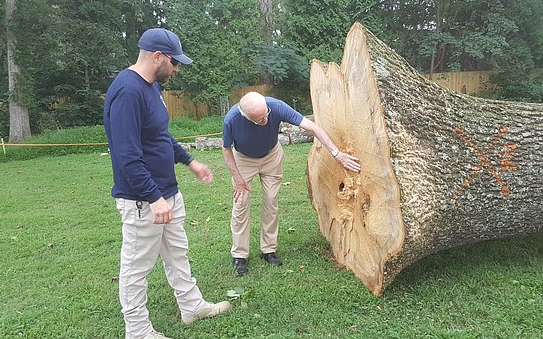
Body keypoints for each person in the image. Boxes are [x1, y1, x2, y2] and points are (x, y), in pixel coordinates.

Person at [103, 28, 232, 339]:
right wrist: (153, 197)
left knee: (177, 254)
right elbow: (127, 155)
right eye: (175, 63)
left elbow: (160, 136)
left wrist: (190, 162)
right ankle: (137, 332)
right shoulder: (128, 92)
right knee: (136, 268)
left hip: (167, 193)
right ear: (157, 57)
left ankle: (192, 307)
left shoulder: (152, 88)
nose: (177, 70)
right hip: (142, 200)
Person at [222, 92, 361, 276]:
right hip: (243, 160)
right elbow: (226, 149)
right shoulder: (232, 119)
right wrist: (237, 178)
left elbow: (312, 127)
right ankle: (239, 255)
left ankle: (268, 250)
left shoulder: (276, 106)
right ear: (246, 116)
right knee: (240, 204)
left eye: (266, 114)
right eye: (259, 119)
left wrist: (337, 154)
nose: (265, 119)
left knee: (271, 201)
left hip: (271, 155)